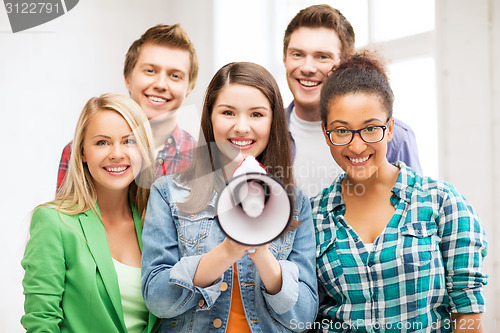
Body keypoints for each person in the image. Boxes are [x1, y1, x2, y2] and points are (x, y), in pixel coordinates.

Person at [311, 51, 487, 332]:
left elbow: (467, 314)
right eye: (342, 131)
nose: (357, 147)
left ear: (391, 127)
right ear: (325, 132)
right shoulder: (313, 216)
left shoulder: (443, 203)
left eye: (371, 129)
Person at [141, 62, 318, 332]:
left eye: (257, 114)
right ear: (210, 118)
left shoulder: (295, 204)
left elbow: (303, 316)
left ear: (273, 121)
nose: (242, 127)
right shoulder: (168, 193)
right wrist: (228, 251)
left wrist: (260, 250)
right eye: (228, 113)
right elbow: (158, 298)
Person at [22, 94, 160, 332]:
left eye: (129, 141)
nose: (117, 153)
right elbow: (41, 322)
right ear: (82, 152)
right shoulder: (54, 221)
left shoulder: (156, 223)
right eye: (102, 142)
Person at [283, 4, 422, 197]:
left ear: (345, 62)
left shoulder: (396, 136)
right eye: (297, 54)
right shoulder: (266, 132)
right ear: (284, 59)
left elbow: (414, 208)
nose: (307, 67)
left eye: (322, 57)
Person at [56, 23, 199, 192]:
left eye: (175, 75)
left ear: (188, 89)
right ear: (128, 78)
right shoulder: (81, 152)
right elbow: (64, 216)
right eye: (150, 71)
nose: (161, 85)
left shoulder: (200, 160)